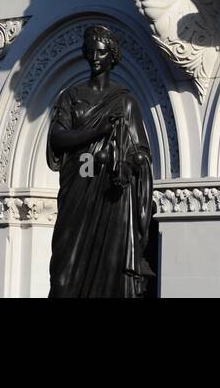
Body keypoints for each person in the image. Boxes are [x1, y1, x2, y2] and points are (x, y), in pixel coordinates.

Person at [47, 24, 154, 298]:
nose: (95, 57)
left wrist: (135, 161)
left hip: (111, 198)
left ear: (112, 56)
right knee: (63, 275)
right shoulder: (71, 97)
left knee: (110, 268)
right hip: (77, 192)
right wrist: (96, 132)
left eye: (102, 52)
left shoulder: (124, 101)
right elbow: (57, 138)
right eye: (91, 52)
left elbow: (140, 149)